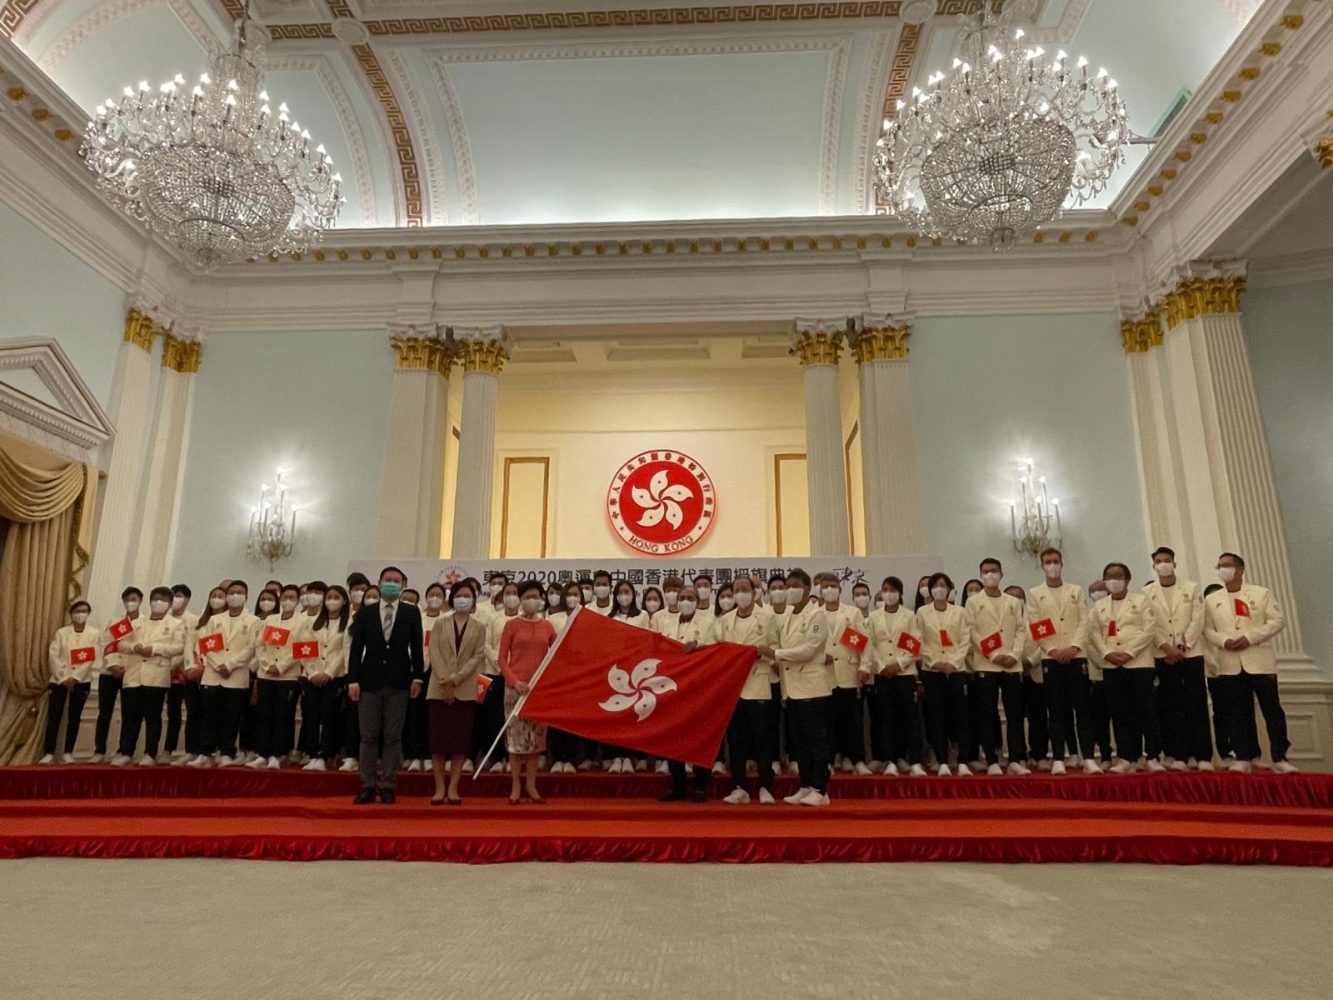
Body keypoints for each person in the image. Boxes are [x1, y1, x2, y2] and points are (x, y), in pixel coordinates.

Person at [1203, 552, 1294, 773]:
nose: (1222, 569)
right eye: (1219, 566)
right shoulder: (1212, 599)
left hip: (1258, 660)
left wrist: (1251, 637)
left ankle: (1280, 757)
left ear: (1240, 569)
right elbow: (1207, 629)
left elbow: (1277, 620)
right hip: (1230, 662)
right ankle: (1243, 755)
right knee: (1237, 712)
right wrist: (1224, 641)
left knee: (1271, 710)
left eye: (1226, 565)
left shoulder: (1261, 594)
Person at [347, 566, 425, 804]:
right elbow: (356, 650)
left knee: (393, 736)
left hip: (400, 681)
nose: (392, 584)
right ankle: (368, 785)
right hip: (369, 682)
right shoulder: (365, 613)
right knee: (368, 737)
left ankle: (388, 785)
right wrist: (353, 680)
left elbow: (417, 648)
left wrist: (417, 677)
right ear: (379, 583)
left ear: (403, 585)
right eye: (387, 580)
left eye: (396, 581)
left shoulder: (412, 613)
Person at [1026, 548, 1099, 776]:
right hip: (1051, 658)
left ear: (1062, 563)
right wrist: (1052, 649)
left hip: (1076, 657)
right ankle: (1058, 757)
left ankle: (1088, 757)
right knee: (1056, 710)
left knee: (1083, 709)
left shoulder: (1075, 591)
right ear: (1042, 565)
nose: (1052, 565)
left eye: (1055, 561)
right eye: (1048, 562)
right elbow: (1036, 625)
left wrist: (1074, 647)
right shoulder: (1035, 594)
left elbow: (1084, 622)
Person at [761, 570, 832, 806]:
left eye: (794, 586)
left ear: (808, 588)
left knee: (816, 741)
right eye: (787, 586)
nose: (789, 590)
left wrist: (777, 654)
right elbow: (780, 643)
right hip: (791, 688)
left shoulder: (817, 615)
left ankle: (821, 789)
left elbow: (809, 650)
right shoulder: (788, 615)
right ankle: (805, 784)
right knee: (799, 742)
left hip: (812, 687)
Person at [1143, 546, 1213, 771]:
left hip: (1191, 653)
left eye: (1167, 560)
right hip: (1163, 654)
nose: (1163, 564)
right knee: (1171, 705)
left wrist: (1182, 646)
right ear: (1154, 565)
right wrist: (1166, 647)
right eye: (1159, 561)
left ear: (1174, 563)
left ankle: (1202, 755)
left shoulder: (1191, 588)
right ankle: (1180, 754)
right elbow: (1148, 624)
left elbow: (1197, 619)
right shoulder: (1146, 593)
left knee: (1196, 703)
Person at [1090, 563, 1163, 774]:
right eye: (1109, 577)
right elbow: (1094, 633)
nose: (1113, 580)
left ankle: (1153, 755)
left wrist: (1129, 653)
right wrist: (1107, 654)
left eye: (1117, 576)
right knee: (1119, 712)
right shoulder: (1100, 606)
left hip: (1139, 663)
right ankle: (1126, 757)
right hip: (1111, 665)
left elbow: (1149, 630)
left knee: (1146, 711)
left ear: (1127, 580)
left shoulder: (1141, 600)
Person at [718, 575, 781, 803]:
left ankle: (766, 786)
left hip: (759, 683)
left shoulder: (767, 617)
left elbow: (777, 648)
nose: (741, 594)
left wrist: (766, 652)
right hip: (734, 688)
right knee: (736, 740)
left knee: (762, 738)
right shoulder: (725, 620)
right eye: (737, 590)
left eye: (745, 589)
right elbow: (720, 650)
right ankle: (739, 786)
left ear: (754, 593)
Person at [966, 559, 1029, 775]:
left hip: (1012, 665)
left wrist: (1014, 654)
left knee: (1015, 714)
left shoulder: (1013, 601)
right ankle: (992, 759)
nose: (990, 575)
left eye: (994, 571)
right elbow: (973, 633)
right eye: (985, 572)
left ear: (1001, 574)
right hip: (987, 664)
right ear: (981, 574)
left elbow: (1021, 629)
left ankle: (1015, 759)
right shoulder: (973, 602)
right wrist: (993, 655)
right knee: (986, 713)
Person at [427, 580, 486, 805]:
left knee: (459, 743)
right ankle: (439, 788)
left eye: (467, 595)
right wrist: (445, 681)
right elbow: (435, 652)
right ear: (452, 599)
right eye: (459, 595)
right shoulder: (440, 623)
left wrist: (456, 679)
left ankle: (453, 788)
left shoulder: (479, 627)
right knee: (438, 742)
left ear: (473, 600)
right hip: (438, 687)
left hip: (465, 688)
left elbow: (477, 656)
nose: (463, 598)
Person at [498, 579, 557, 804]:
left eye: (536, 596)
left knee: (536, 741)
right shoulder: (511, 625)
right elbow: (502, 659)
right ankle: (515, 786)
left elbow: (558, 652)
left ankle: (531, 786)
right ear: (521, 600)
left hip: (540, 690)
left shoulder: (548, 626)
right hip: (516, 689)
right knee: (515, 740)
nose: (532, 601)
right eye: (527, 597)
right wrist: (514, 681)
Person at [658, 583, 718, 800]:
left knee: (699, 735)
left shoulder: (710, 622)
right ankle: (677, 784)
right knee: (672, 737)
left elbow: (716, 648)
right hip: (670, 688)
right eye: (681, 597)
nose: (684, 601)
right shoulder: (665, 621)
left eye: (689, 598)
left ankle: (701, 784)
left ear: (696, 601)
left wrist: (698, 645)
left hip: (697, 688)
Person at [113, 587, 185, 766]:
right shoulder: (137, 622)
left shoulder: (176, 624)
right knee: (130, 716)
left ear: (169, 604)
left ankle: (150, 753)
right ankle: (126, 751)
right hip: (134, 673)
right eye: (155, 599)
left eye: (163, 600)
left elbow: (178, 647)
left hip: (157, 674)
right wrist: (134, 647)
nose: (158, 603)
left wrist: (155, 649)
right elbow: (120, 643)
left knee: (152, 717)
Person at [189, 580, 257, 767]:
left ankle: (227, 752)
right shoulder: (215, 620)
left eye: (239, 592)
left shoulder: (253, 621)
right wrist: (219, 664)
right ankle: (205, 752)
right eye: (232, 592)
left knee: (232, 717)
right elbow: (207, 644)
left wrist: (230, 665)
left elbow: (251, 648)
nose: (235, 596)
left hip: (236, 676)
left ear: (246, 596)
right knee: (209, 715)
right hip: (213, 673)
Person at [863, 577, 926, 776]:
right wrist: (881, 665)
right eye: (884, 590)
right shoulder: (873, 617)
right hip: (882, 674)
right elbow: (869, 644)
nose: (887, 593)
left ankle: (913, 760)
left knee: (909, 718)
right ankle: (889, 759)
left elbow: (915, 643)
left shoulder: (909, 616)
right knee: (885, 718)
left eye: (891, 590)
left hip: (904, 672)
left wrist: (898, 664)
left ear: (899, 592)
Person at [917, 573, 972, 776]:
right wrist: (934, 662)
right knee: (936, 715)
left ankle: (963, 760)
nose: (939, 589)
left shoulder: (959, 612)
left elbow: (965, 639)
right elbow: (919, 640)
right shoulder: (922, 613)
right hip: (932, 670)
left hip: (956, 670)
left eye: (943, 585)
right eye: (935, 586)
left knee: (960, 715)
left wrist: (953, 663)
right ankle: (941, 760)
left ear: (949, 589)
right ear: (930, 590)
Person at [821, 575, 870, 775]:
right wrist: (819, 656)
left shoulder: (852, 613)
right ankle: (829, 759)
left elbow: (863, 642)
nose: (829, 590)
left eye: (833, 586)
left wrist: (864, 666)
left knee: (852, 720)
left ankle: (856, 759)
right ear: (820, 591)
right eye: (825, 587)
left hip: (849, 672)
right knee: (827, 721)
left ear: (840, 589)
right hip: (824, 675)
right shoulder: (815, 614)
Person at [250, 584, 302, 769]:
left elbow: (300, 649)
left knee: (282, 716)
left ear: (297, 601)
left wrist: (280, 667)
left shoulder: (303, 621)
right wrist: (266, 664)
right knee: (264, 715)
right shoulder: (270, 620)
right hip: (266, 674)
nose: (288, 601)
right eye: (285, 597)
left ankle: (277, 754)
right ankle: (262, 753)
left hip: (288, 676)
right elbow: (259, 645)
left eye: (292, 597)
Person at [41, 601, 100, 764]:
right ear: (71, 614)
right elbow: (53, 655)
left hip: (81, 681)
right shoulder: (61, 632)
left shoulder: (93, 634)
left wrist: (75, 678)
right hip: (59, 680)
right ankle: (49, 752)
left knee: (74, 717)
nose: (81, 614)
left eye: (85, 611)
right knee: (54, 717)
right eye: (78, 611)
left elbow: (90, 657)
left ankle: (68, 752)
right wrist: (64, 678)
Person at [299, 585, 349, 771]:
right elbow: (304, 650)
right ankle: (311, 753)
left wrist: (328, 673)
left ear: (344, 601)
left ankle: (325, 754)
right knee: (310, 715)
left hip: (334, 677)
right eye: (329, 597)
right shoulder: (313, 623)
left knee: (330, 716)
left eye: (337, 597)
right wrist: (313, 673)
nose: (332, 601)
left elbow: (343, 652)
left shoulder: (348, 624)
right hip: (311, 676)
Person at [91, 586, 141, 762]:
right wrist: (112, 665)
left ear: (140, 601)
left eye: (134, 599)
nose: (130, 603)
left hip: (131, 673)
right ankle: (99, 751)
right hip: (109, 672)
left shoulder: (145, 623)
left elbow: (140, 650)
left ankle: (124, 750)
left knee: (129, 714)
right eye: (127, 600)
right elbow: (106, 643)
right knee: (104, 713)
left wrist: (126, 668)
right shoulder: (115, 621)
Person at [477, 580, 520, 773]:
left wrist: (513, 668)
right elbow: (486, 645)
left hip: (518, 676)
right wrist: (500, 664)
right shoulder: (493, 619)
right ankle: (495, 757)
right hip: (495, 673)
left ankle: (514, 757)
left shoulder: (526, 619)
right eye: (507, 593)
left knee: (514, 719)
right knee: (494, 717)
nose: (510, 596)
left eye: (514, 592)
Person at [608, 579, 651, 773]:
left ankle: (635, 756)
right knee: (617, 718)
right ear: (615, 596)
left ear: (634, 595)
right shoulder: (610, 617)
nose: (624, 595)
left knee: (636, 715)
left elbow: (648, 641)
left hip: (637, 672)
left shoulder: (642, 616)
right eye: (620, 592)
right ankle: (618, 757)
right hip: (615, 673)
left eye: (627, 591)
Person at [407, 582, 449, 773]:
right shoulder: (417, 619)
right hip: (418, 670)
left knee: (436, 718)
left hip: (439, 673)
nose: (434, 598)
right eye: (431, 594)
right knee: (416, 715)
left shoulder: (448, 620)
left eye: (438, 594)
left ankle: (432, 756)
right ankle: (416, 755)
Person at [544, 582, 581, 773]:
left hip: (579, 675)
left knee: (573, 719)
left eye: (576, 594)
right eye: (569, 594)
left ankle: (571, 759)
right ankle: (557, 758)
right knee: (556, 719)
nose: (572, 598)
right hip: (556, 674)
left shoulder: (587, 616)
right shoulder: (554, 618)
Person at [163, 584, 200, 764]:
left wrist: (176, 664)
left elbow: (189, 646)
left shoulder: (193, 620)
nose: (175, 600)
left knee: (190, 712)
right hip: (162, 671)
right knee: (171, 712)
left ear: (187, 598)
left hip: (184, 673)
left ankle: (190, 750)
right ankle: (167, 750)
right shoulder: (164, 619)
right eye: (172, 596)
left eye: (178, 596)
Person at [1085, 580, 1115, 769]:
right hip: (1098, 673)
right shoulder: (1088, 616)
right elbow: (1089, 643)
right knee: (1100, 719)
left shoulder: (1118, 611)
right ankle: (1105, 755)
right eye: (1094, 591)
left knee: (1123, 716)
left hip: (1122, 670)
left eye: (1101, 590)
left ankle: (1131, 754)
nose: (1098, 593)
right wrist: (1105, 660)